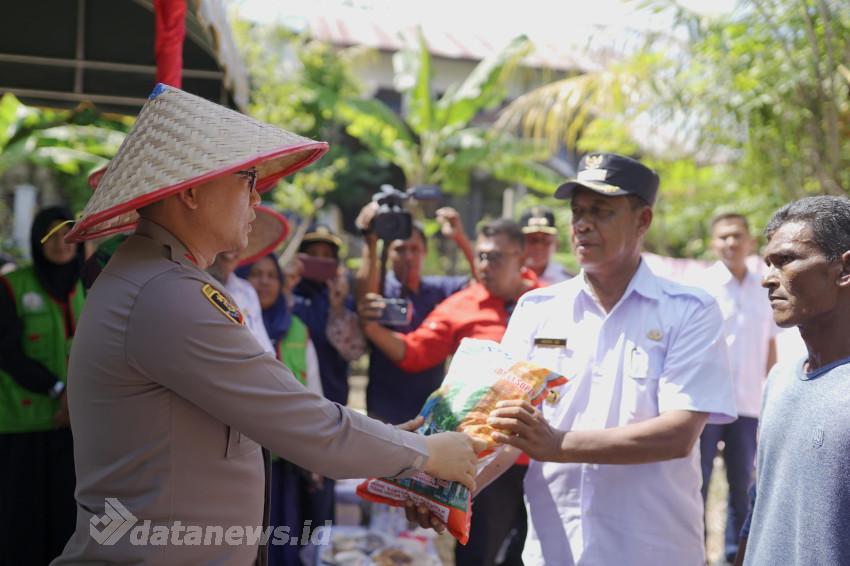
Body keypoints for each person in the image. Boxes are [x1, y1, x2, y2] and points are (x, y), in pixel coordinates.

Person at [52, 84, 481, 565]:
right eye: (247, 178)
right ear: (192, 189)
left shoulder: (155, 280)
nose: (257, 197)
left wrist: (400, 451)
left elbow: (286, 418)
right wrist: (423, 454)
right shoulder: (166, 293)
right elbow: (307, 425)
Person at [468, 152, 737, 566]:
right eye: (577, 211)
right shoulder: (537, 309)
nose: (582, 223)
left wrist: (559, 444)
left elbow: (679, 434)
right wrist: (452, 490)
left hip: (651, 550)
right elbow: (506, 429)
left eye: (601, 211)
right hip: (556, 550)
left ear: (642, 220)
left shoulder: (689, 310)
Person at [360, 219, 538, 566]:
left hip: (548, 458)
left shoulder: (552, 299)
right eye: (482, 257)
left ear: (521, 256)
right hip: (486, 460)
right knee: (480, 554)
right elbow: (414, 353)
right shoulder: (461, 304)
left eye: (496, 258)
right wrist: (369, 327)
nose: (485, 265)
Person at [734, 196, 850, 566]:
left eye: (786, 261)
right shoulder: (781, 377)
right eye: (768, 263)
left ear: (844, 269)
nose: (768, 279)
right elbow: (762, 502)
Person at [0, 207, 83, 565]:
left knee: (69, 523)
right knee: (21, 525)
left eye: (67, 233)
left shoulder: (91, 285)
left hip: (77, 427)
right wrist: (58, 388)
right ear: (37, 241)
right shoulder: (11, 285)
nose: (60, 243)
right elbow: (6, 351)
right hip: (21, 428)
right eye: (49, 235)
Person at [697, 212, 778, 564]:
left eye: (737, 236)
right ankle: (695, 553)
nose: (731, 243)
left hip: (747, 403)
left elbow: (770, 345)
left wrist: (772, 391)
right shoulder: (702, 288)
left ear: (750, 241)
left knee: (742, 487)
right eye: (723, 237)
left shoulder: (765, 286)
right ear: (713, 244)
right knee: (695, 484)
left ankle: (735, 555)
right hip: (705, 403)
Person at [353, 202, 470, 424]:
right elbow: (364, 299)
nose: (408, 256)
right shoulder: (378, 288)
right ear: (388, 252)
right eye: (400, 249)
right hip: (384, 408)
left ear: (425, 252)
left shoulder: (440, 290)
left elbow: (482, 287)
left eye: (414, 249)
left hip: (430, 406)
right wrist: (369, 241)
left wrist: (460, 239)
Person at [519, 206, 571, 285]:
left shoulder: (567, 281)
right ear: (519, 243)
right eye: (532, 240)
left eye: (545, 240)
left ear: (556, 244)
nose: (538, 246)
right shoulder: (505, 276)